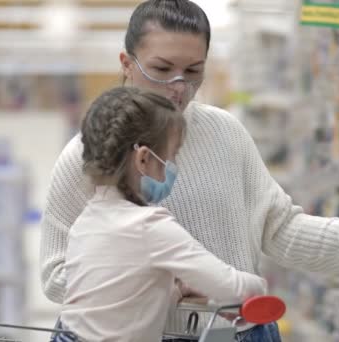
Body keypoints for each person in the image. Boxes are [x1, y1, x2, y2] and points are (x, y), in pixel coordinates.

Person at [40, 1, 339, 341]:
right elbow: (57, 275)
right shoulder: (87, 156)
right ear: (127, 63)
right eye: (162, 68)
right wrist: (163, 285)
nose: (178, 86)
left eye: (193, 71)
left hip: (241, 331)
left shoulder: (225, 133)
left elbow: (280, 229)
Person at [51, 87, 266, 342]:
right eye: (172, 155)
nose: (174, 165)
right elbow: (234, 287)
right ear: (143, 159)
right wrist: (259, 288)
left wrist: (176, 290)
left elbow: (123, 299)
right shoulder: (149, 225)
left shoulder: (86, 221)